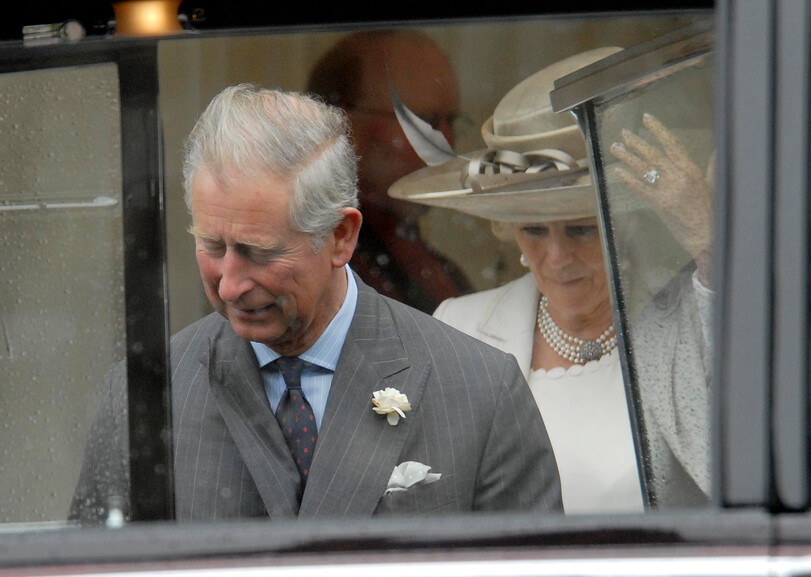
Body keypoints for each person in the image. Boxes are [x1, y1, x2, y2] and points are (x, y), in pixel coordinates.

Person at [69, 84, 561, 523]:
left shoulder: (480, 390)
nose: (230, 286)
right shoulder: (145, 401)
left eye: (260, 253)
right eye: (213, 247)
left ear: (341, 236)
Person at [389, 50, 711, 512]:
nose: (557, 256)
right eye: (535, 230)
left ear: (627, 223)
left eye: (582, 229)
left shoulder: (687, 318)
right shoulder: (459, 327)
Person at [306, 29, 473, 314]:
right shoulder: (320, 267)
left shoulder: (421, 260)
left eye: (451, 122)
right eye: (425, 122)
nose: (446, 142)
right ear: (345, 127)